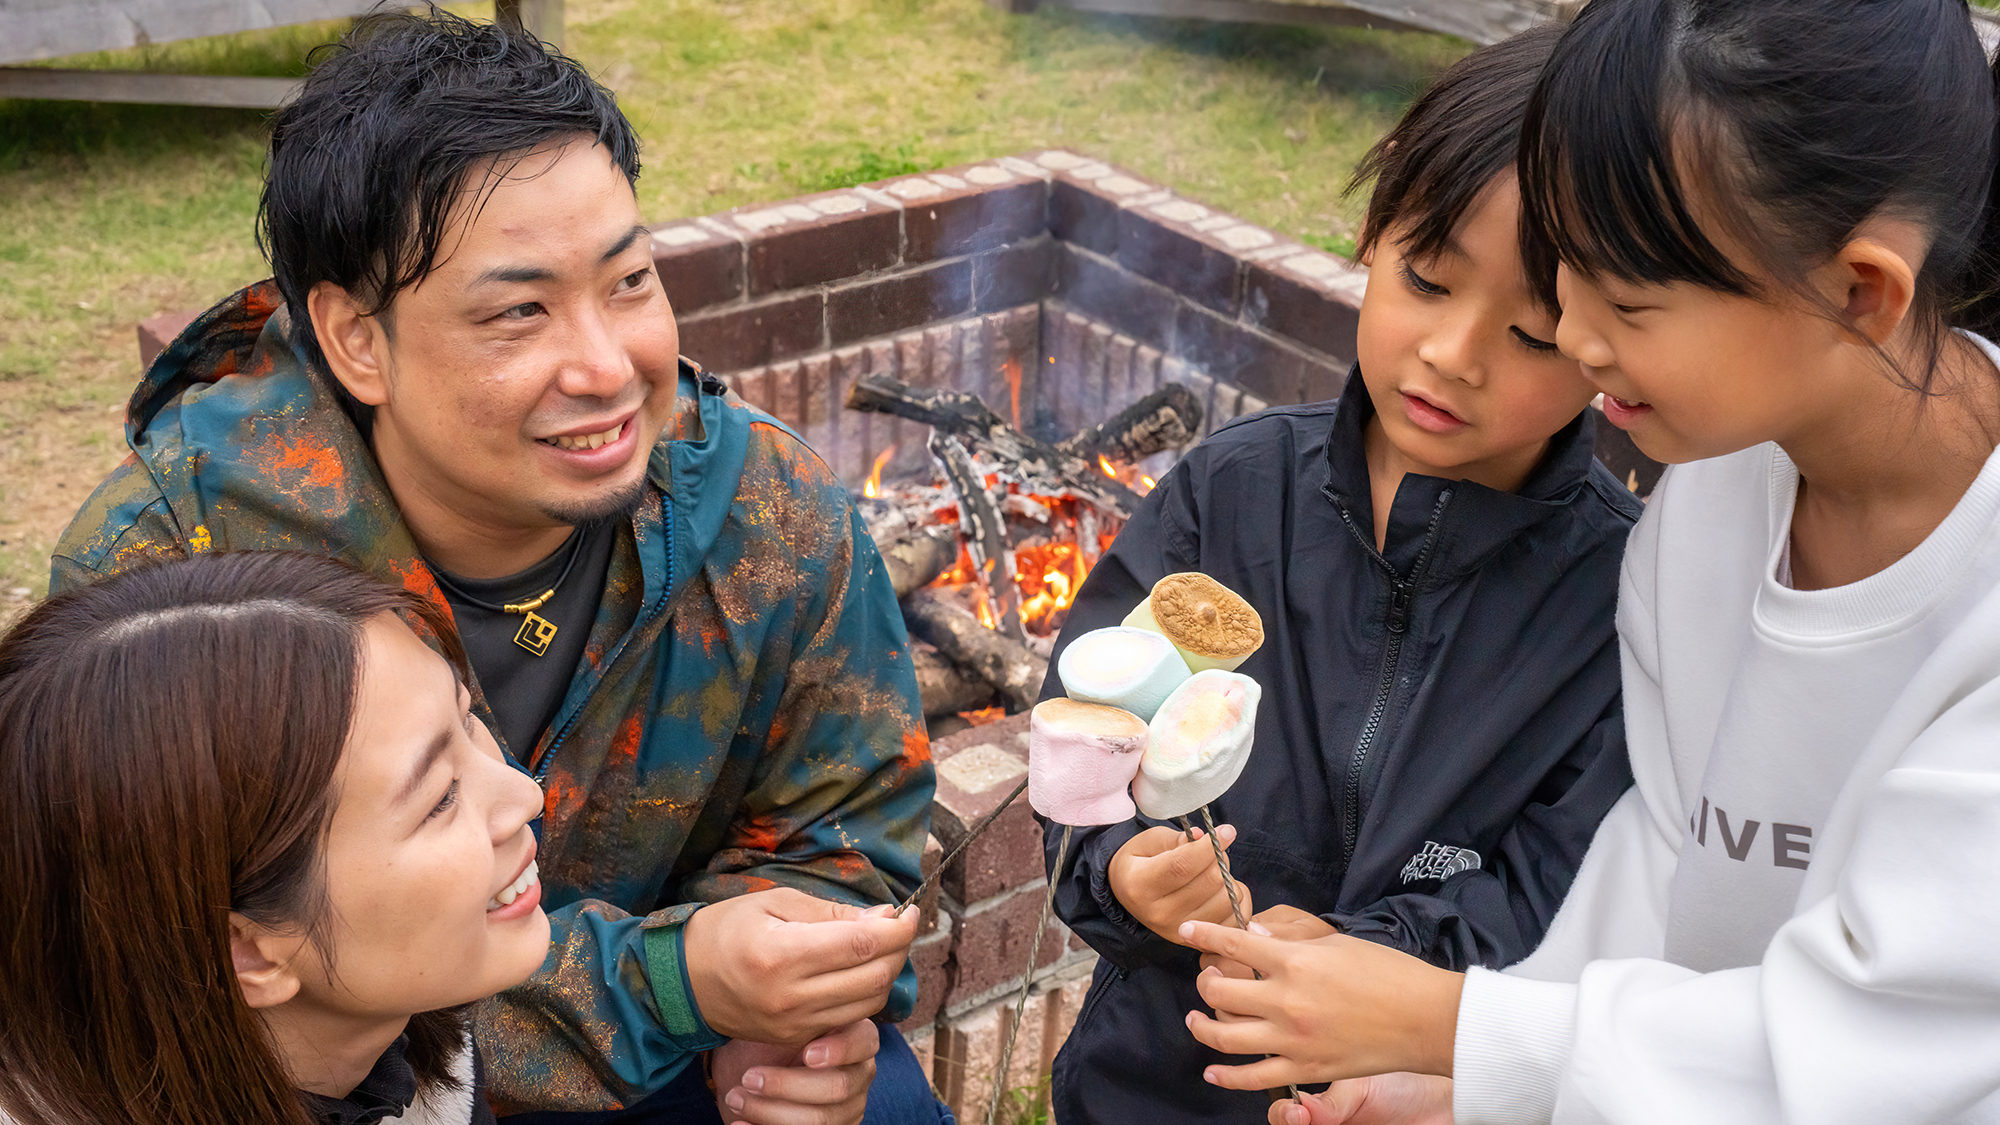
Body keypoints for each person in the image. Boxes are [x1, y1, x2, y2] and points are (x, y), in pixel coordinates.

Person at [49, 9, 940, 1124]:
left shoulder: (771, 513)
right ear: (355, 339)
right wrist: (669, 983)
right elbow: (164, 987)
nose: (609, 367)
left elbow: (843, 835)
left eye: (628, 282)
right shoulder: (172, 578)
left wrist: (776, 1012)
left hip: (680, 1055)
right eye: (518, 312)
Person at [1176, 1, 2000, 1122]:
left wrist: (1449, 1025)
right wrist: (1467, 1089)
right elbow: (1650, 883)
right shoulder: (1708, 505)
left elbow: (1870, 1045)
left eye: (1625, 301)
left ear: (1859, 292)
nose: (1571, 337)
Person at [1035, 25, 1641, 1125]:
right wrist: (1121, 865)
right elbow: (1085, 722)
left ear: (1610, 342)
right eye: (1424, 278)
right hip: (1149, 1082)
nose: (1454, 353)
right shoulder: (1231, 491)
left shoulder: (1619, 598)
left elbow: (1568, 886)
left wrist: (1369, 967)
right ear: (1369, 236)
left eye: (1532, 334)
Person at [0, 551, 548, 1125]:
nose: (525, 797)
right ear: (249, 953)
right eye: (439, 798)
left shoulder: (403, 1043)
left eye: (466, 721)